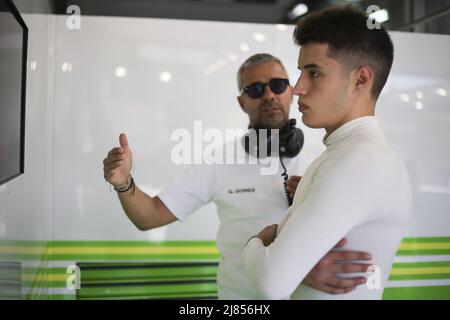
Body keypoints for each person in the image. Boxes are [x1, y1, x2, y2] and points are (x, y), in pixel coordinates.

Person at [103, 53, 373, 299]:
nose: (269, 95)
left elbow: (360, 231)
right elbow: (149, 216)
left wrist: (310, 197)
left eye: (278, 85)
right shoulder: (218, 161)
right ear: (242, 102)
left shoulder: (326, 156)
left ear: (291, 91)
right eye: (255, 89)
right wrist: (124, 182)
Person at [241, 6, 412, 300]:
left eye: (314, 73)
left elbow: (270, 282)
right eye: (300, 72)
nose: (297, 88)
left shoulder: (359, 161)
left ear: (360, 79)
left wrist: (256, 243)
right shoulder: (347, 154)